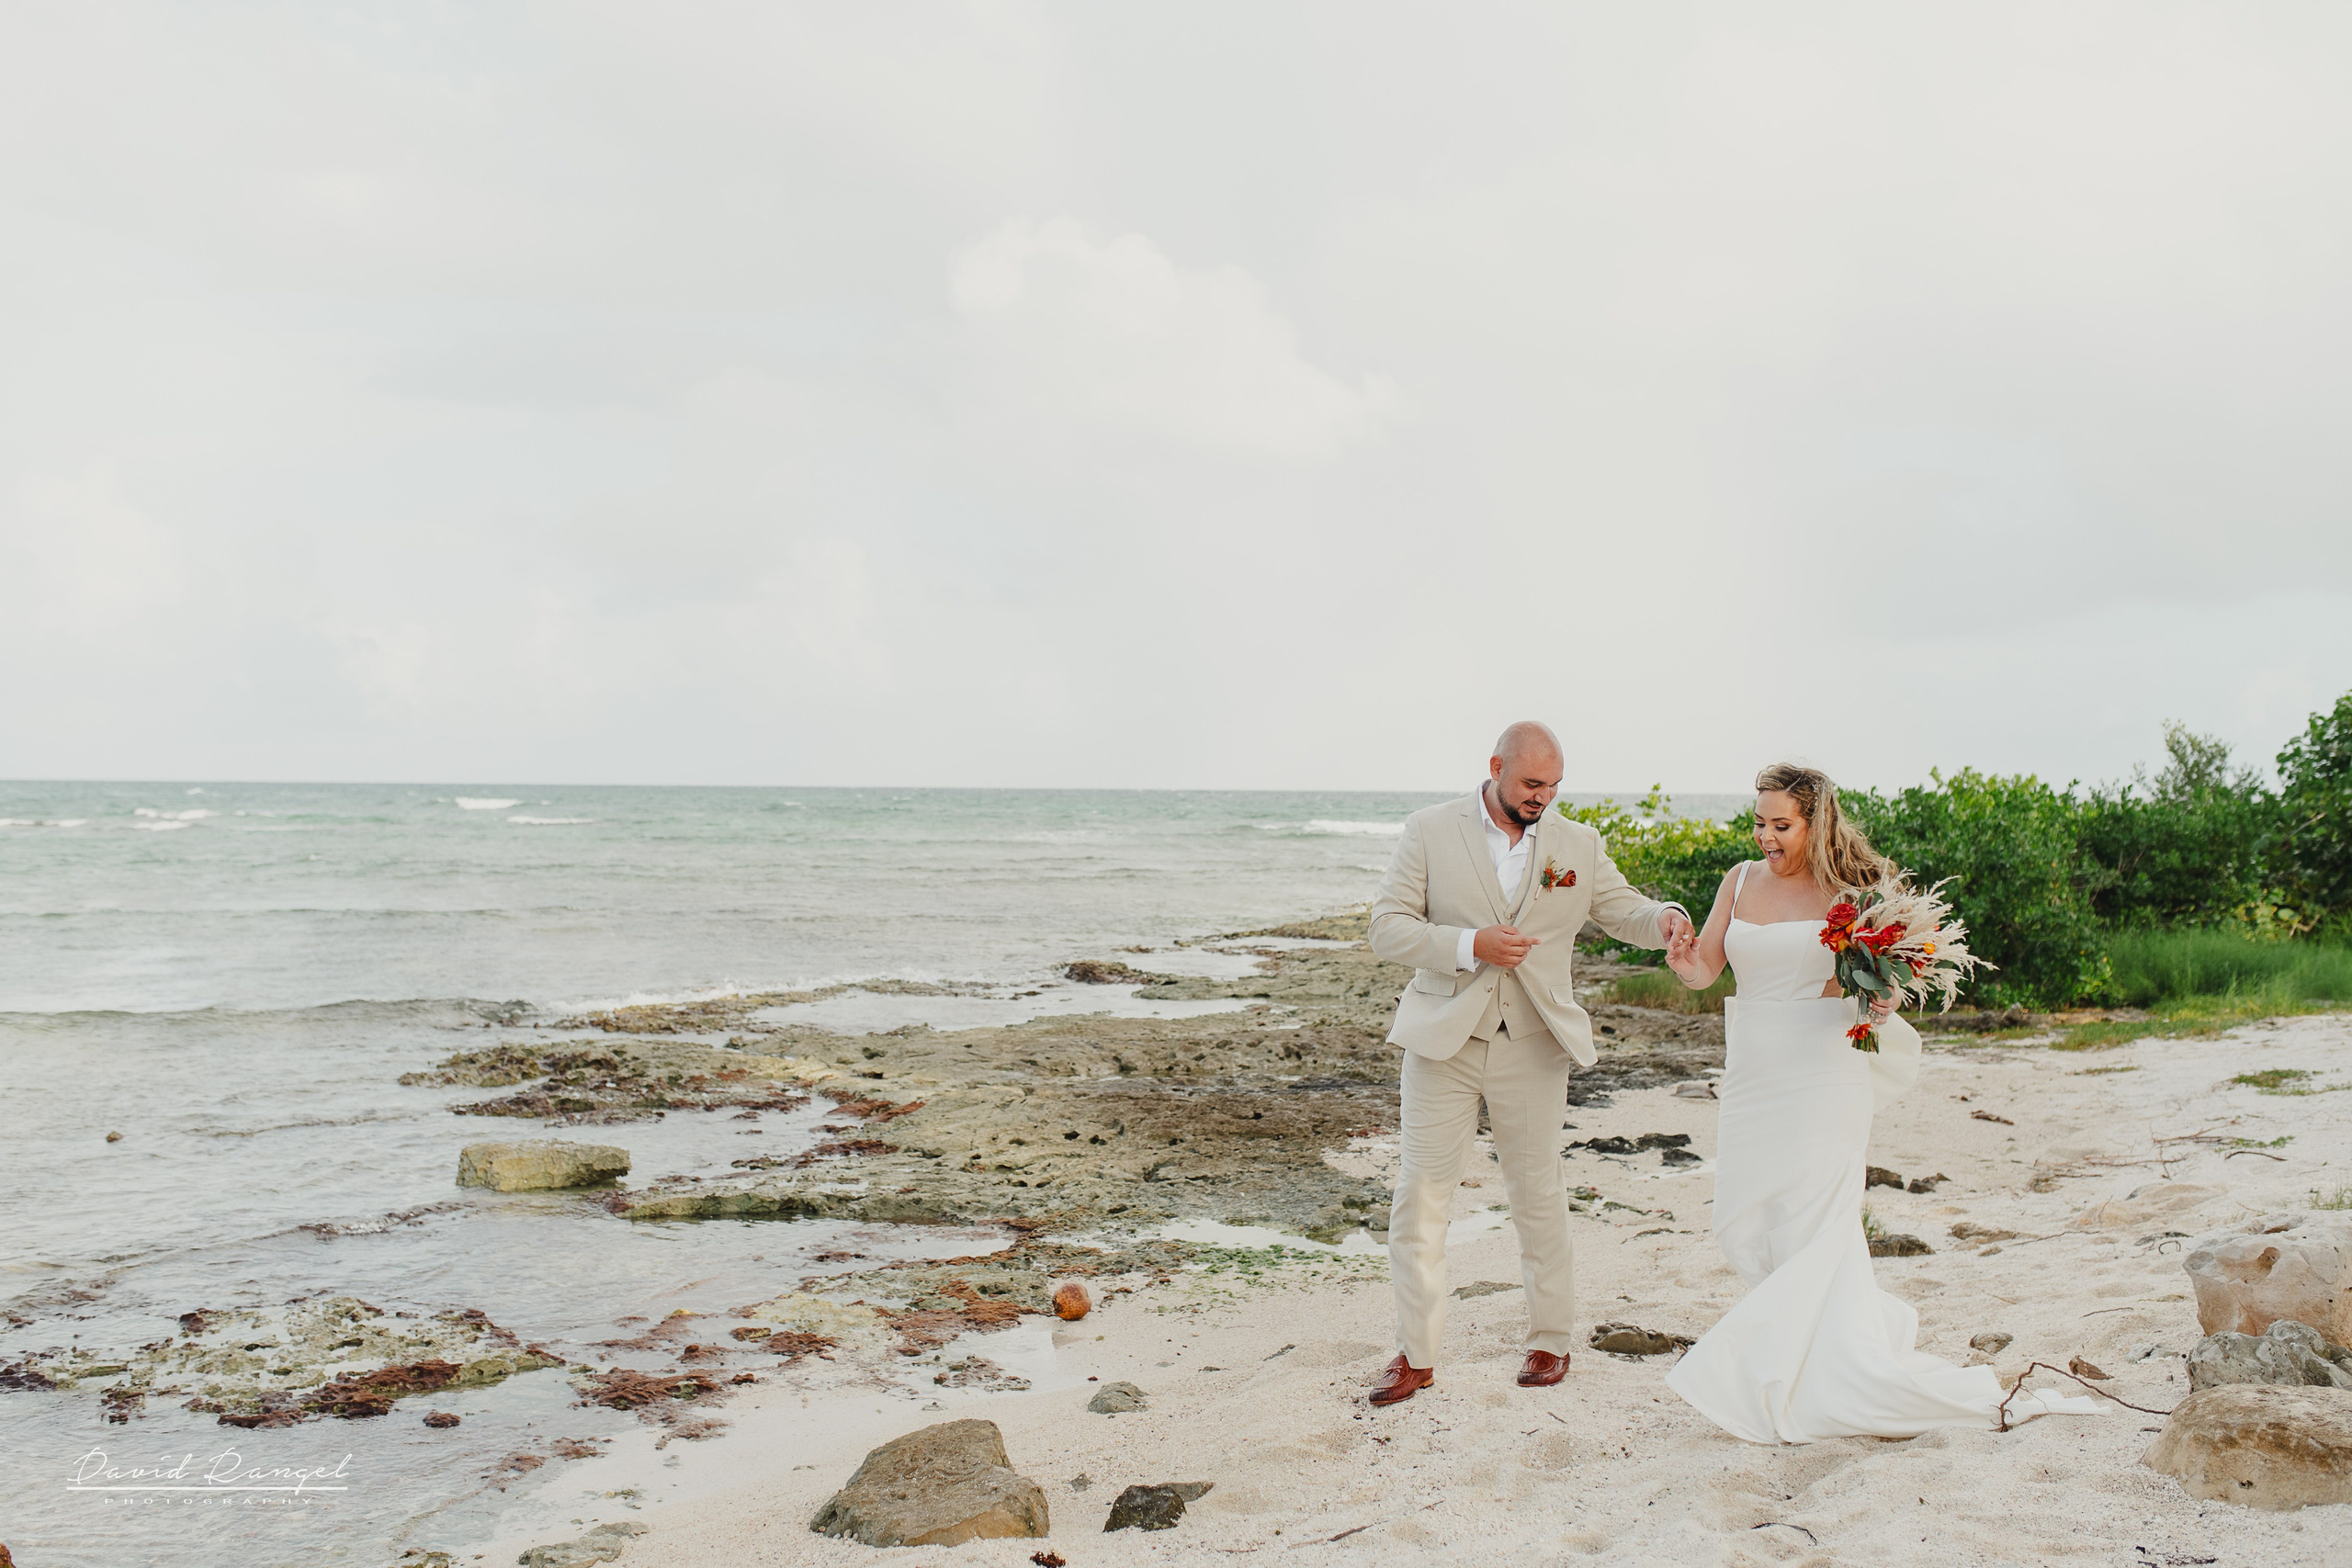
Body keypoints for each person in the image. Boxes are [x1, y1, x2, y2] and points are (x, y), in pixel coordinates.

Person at [1659, 762, 2095, 1441]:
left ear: (1814, 821)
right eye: (1759, 822)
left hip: (1824, 1072)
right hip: (1752, 1067)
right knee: (1743, 1221)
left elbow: (1877, 990)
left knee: (1817, 1223)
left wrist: (1884, 997)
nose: (1766, 836)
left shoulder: (1853, 891)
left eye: (1781, 825)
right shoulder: (1738, 880)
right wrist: (1682, 955)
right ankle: (1811, 1355)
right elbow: (1704, 971)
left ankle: (1809, 1374)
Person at [1363, 721, 1693, 1406]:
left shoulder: (1577, 844)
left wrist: (1663, 918)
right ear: (1495, 768)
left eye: (1553, 785)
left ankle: (1551, 1339)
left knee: (1539, 1193)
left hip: (1534, 1040)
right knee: (1420, 1196)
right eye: (1531, 784)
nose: (1542, 796)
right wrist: (1468, 941)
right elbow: (1386, 926)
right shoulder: (1429, 829)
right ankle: (1417, 1354)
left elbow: (1620, 908)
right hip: (1442, 1040)